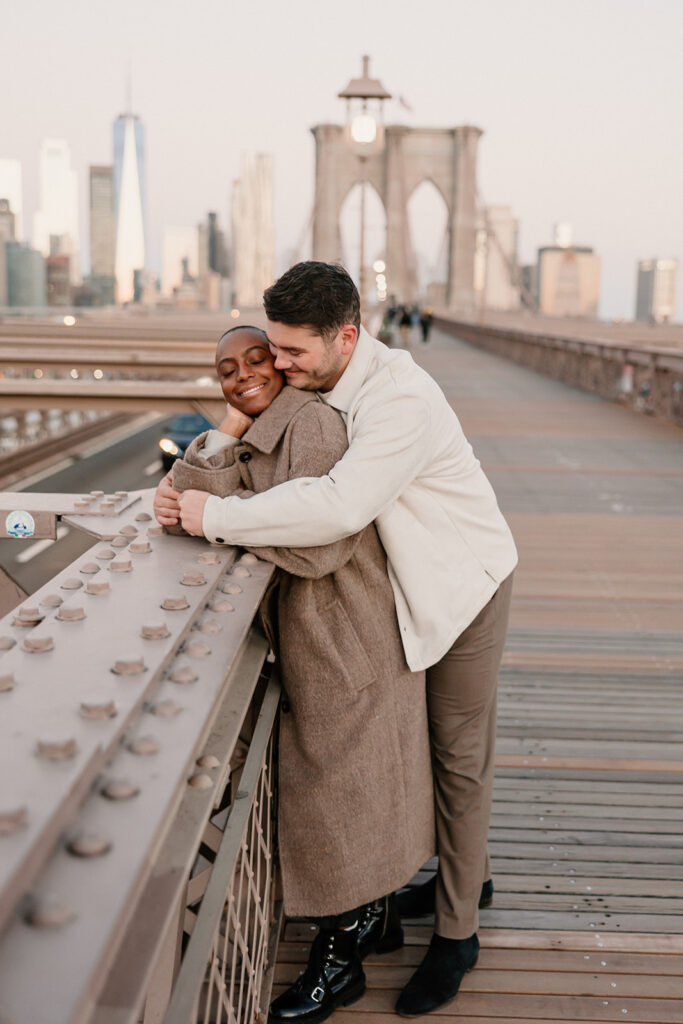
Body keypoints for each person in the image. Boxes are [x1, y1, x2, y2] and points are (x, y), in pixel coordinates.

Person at [154, 262, 517, 1018]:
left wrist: (207, 518)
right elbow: (269, 464)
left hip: (458, 586)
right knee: (414, 748)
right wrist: (208, 462)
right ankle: (449, 872)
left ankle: (459, 928)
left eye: (292, 352)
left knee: (455, 756)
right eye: (273, 348)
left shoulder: (400, 401)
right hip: (397, 591)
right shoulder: (321, 387)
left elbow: (335, 509)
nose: (279, 366)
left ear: (346, 336)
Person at [167, 324, 435, 1024]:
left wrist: (220, 520)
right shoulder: (262, 425)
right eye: (226, 369)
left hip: (345, 634)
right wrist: (227, 427)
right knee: (350, 789)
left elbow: (319, 552)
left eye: (258, 360)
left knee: (340, 796)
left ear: (285, 367)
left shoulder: (311, 427)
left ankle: (338, 960)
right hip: (318, 637)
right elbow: (180, 502)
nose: (244, 374)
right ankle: (370, 923)